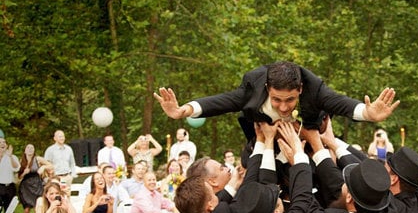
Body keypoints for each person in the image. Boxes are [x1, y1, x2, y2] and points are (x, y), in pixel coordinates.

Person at [154, 61, 400, 141]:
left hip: (307, 139)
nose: (283, 107)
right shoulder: (253, 84)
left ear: (301, 89)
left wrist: (368, 114)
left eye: (290, 100)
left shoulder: (315, 88)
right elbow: (223, 101)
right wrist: (183, 110)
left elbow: (340, 103)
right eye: (277, 99)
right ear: (266, 88)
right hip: (263, 138)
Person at [17, 144, 49, 213]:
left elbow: (51, 165)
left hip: (37, 185)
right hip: (25, 187)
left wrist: (44, 167)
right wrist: (24, 172)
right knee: (26, 210)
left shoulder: (38, 159)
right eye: (28, 148)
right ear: (25, 150)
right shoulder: (21, 161)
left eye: (32, 148)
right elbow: (19, 177)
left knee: (37, 208)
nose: (30, 149)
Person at [0, 137, 20, 212]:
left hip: (9, 187)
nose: (2, 144)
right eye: (0, 142)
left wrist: (10, 156)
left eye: (4, 142)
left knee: (9, 211)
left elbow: (16, 168)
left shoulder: (12, 157)